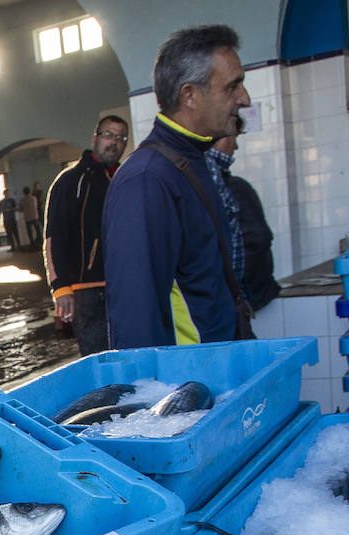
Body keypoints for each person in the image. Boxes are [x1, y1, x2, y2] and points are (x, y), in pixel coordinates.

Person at [103, 25, 253, 349]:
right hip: (193, 389)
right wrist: (168, 399)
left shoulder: (191, 160)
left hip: (218, 377)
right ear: (189, 96)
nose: (244, 98)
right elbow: (135, 325)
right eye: (233, 86)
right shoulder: (146, 180)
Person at [43, 115, 129, 355]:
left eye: (121, 138)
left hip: (125, 287)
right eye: (108, 135)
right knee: (100, 363)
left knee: (130, 357)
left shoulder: (126, 180)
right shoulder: (70, 181)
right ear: (95, 138)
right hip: (87, 294)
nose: (114, 142)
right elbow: (53, 239)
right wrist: (60, 288)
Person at [212, 131, 281, 310]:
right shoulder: (234, 187)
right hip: (241, 301)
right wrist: (241, 295)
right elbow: (257, 238)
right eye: (233, 137)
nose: (236, 147)